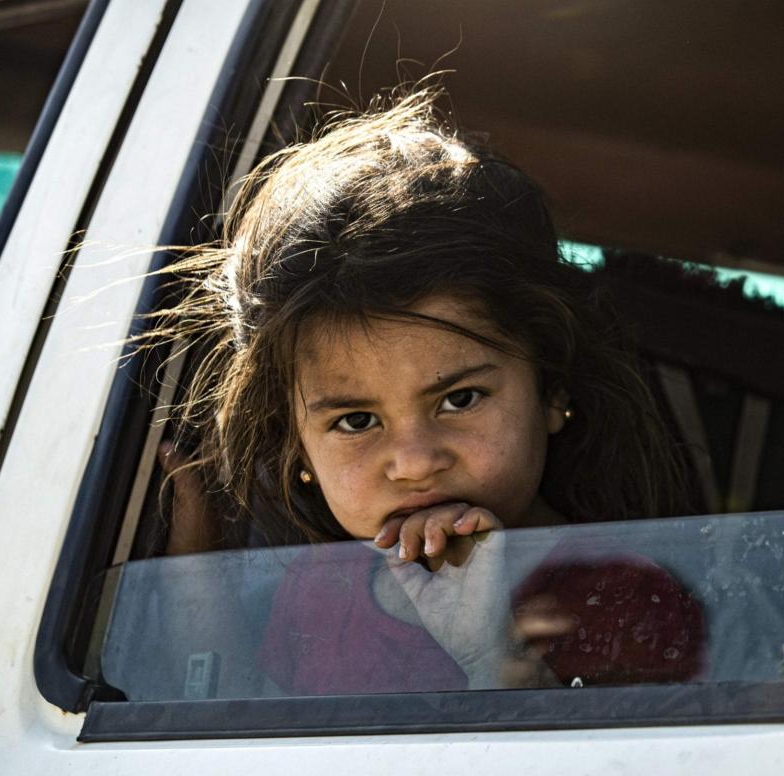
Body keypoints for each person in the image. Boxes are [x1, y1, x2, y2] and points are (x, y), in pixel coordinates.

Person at [150, 90, 704, 693]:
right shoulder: (320, 588)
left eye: (459, 399)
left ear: (550, 390)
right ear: (298, 448)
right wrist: (195, 544)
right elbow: (232, 710)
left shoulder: (621, 592)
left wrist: (494, 657)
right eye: (357, 421)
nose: (415, 463)